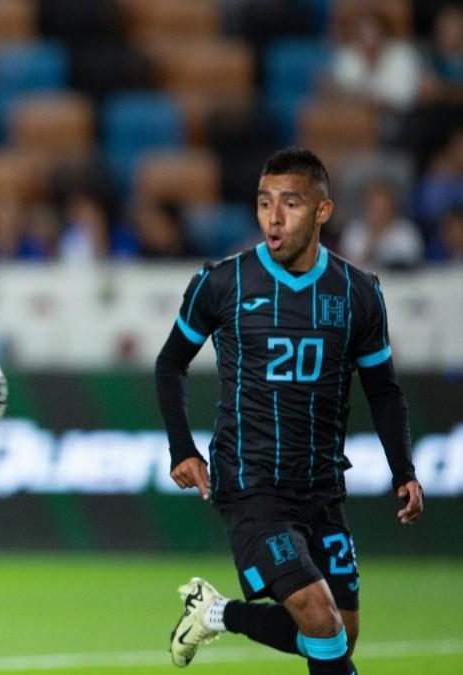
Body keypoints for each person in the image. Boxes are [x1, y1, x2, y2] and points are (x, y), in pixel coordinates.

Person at [155, 149, 422, 673]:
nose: (273, 218)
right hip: (251, 485)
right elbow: (170, 364)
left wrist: (404, 471)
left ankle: (215, 613)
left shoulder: (358, 293)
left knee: (341, 632)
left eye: (291, 204)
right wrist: (182, 449)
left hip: (321, 488)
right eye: (264, 203)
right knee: (320, 620)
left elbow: (384, 391)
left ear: (322, 211)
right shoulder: (223, 283)